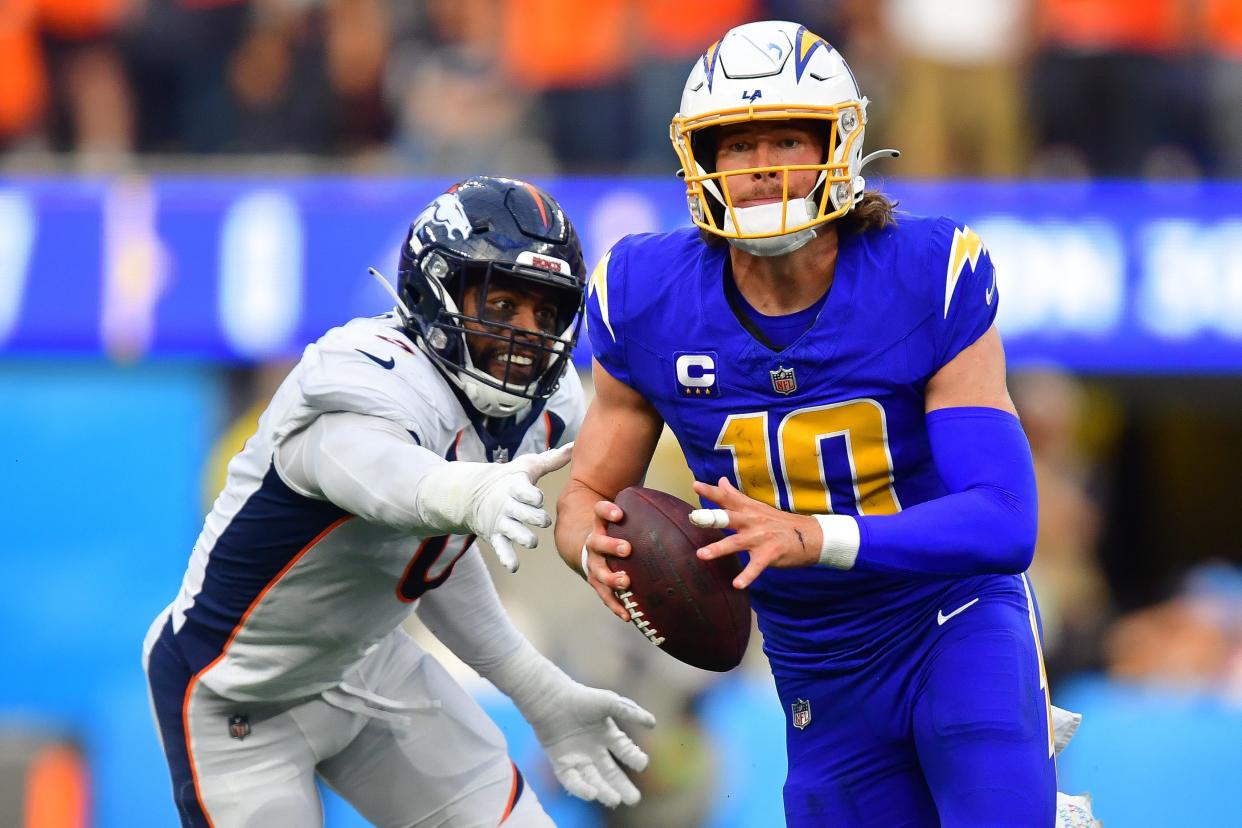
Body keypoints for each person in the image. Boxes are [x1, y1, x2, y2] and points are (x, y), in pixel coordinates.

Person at [555, 20, 1092, 827]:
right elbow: (589, 494)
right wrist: (592, 550)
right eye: (738, 144)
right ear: (700, 157)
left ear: (838, 146)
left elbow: (1006, 520)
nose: (762, 167)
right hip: (814, 658)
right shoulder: (645, 293)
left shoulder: (923, 273)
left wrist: (816, 535)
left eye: (784, 140)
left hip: (947, 617)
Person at [143, 176, 655, 827]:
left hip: (371, 663)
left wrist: (539, 689)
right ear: (430, 291)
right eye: (500, 305)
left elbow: (424, 555)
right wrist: (471, 491)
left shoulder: (546, 409)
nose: (527, 336)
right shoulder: (363, 375)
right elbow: (383, 477)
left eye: (545, 314)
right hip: (236, 694)